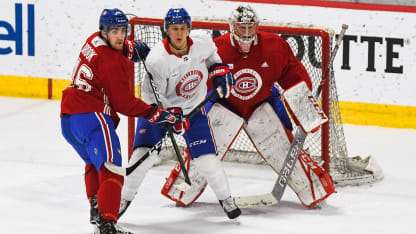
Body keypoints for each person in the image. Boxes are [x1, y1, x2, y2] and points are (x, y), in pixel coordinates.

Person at [161, 4, 335, 209]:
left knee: (283, 149)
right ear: (231, 27)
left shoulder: (275, 46)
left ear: (257, 27)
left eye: (250, 28)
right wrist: (186, 113)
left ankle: (315, 190)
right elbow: (196, 83)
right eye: (241, 28)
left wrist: (304, 111)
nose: (246, 33)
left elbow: (294, 77)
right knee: (203, 149)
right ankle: (181, 191)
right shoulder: (216, 49)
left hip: (262, 106)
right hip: (225, 108)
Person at [60, 8, 182, 234]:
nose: (119, 36)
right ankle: (108, 224)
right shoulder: (111, 62)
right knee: (113, 170)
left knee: (95, 165)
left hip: (69, 119)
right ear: (103, 32)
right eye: (113, 31)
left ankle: (96, 208)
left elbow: (115, 49)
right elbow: (124, 104)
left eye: (122, 31)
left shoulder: (93, 41)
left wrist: (129, 48)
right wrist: (158, 114)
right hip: (92, 117)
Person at [119, 7, 241, 220]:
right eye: (174, 28)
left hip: (194, 110)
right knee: (141, 158)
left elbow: (212, 57)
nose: (179, 33)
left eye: (183, 28)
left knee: (207, 161)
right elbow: (150, 99)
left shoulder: (201, 42)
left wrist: (219, 71)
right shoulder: (157, 60)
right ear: (167, 30)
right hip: (159, 113)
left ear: (189, 29)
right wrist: (171, 117)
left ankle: (226, 198)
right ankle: (121, 200)